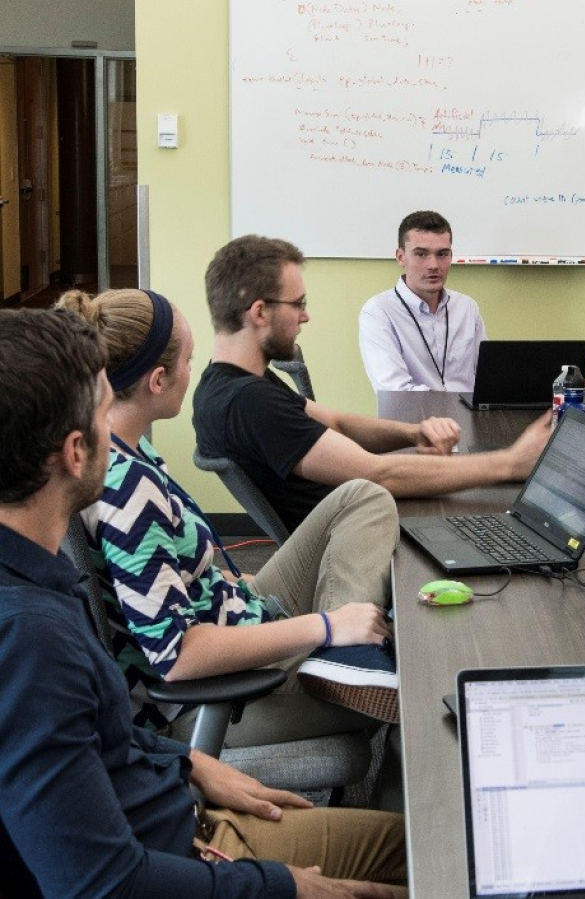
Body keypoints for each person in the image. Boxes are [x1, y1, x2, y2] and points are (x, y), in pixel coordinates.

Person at [0, 308, 406, 898]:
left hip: (186, 814)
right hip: (198, 855)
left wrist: (186, 764)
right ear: (74, 452)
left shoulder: (34, 580)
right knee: (443, 869)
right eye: (100, 412)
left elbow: (98, 734)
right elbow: (105, 886)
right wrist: (282, 886)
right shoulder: (30, 641)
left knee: (423, 846)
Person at [58, 287, 398, 740]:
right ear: (158, 380)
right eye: (188, 361)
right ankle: (343, 649)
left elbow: (160, 583)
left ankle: (343, 658)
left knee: (362, 497)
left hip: (237, 611)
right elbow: (178, 655)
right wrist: (326, 625)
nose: (191, 372)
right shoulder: (128, 489)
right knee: (409, 687)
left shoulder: (121, 451)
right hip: (213, 697)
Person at [193, 235, 550, 533]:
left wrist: (413, 433)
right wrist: (510, 463)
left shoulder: (228, 380)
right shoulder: (248, 402)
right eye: (298, 304)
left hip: (357, 523)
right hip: (350, 544)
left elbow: (337, 423)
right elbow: (378, 474)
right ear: (259, 312)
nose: (306, 315)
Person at [358, 210, 487, 392]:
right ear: (401, 257)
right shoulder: (378, 312)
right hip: (412, 418)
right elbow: (395, 391)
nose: (433, 265)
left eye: (442, 254)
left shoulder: (467, 308)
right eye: (421, 254)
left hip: (469, 417)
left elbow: (485, 378)